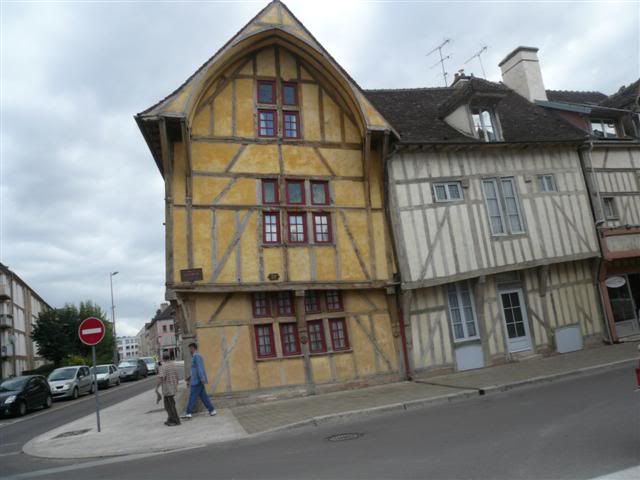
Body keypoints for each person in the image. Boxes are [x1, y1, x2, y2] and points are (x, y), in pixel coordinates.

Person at [181, 343, 216, 419]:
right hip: (197, 380)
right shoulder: (195, 356)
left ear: (193, 348)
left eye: (190, 348)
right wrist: (189, 377)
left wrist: (202, 378)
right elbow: (195, 369)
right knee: (204, 397)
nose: (189, 350)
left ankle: (188, 413)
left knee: (192, 396)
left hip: (197, 381)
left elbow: (200, 368)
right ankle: (212, 410)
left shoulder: (197, 356)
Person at [155, 351, 181, 427]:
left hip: (168, 388)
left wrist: (156, 388)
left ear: (163, 358)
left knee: (170, 405)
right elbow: (177, 376)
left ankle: (176, 420)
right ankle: (170, 418)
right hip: (173, 387)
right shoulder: (173, 365)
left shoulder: (163, 366)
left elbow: (161, 378)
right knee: (167, 405)